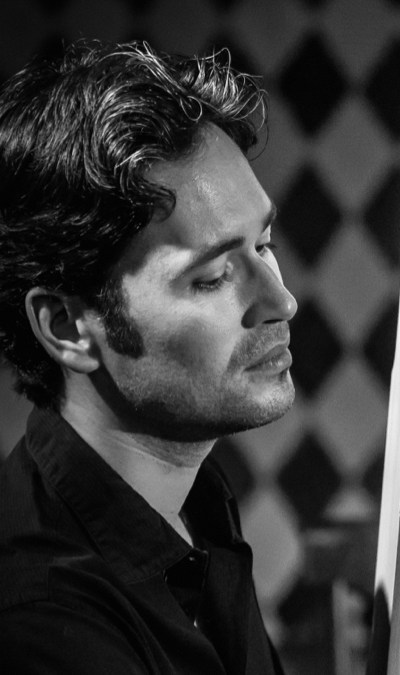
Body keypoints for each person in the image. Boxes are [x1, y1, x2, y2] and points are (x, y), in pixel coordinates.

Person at [0, 40, 297, 674]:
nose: (281, 301)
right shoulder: (42, 626)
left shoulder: (194, 500)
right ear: (67, 327)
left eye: (264, 245)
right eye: (213, 277)